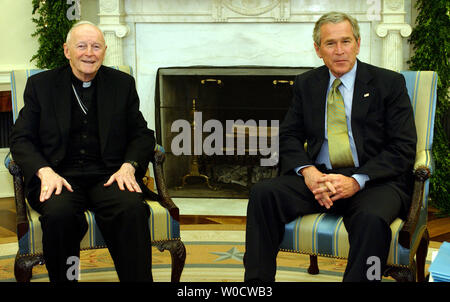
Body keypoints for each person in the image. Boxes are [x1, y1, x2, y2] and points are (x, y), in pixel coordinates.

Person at [244, 12, 417, 282]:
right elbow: (288, 135)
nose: (339, 51)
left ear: (358, 44)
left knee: (371, 221)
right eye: (330, 44)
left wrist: (356, 180)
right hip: (320, 178)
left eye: (346, 42)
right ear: (318, 49)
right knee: (263, 194)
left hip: (373, 181)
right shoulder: (306, 84)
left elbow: (403, 147)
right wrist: (309, 173)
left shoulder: (389, 84)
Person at [10, 21, 155, 282]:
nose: (89, 52)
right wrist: (44, 172)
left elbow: (142, 134)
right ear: (67, 51)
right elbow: (21, 138)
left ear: (104, 51)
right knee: (59, 216)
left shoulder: (121, 84)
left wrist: (129, 166)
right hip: (60, 177)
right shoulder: (41, 86)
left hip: (108, 175)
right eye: (82, 46)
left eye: (96, 46)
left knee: (131, 209)